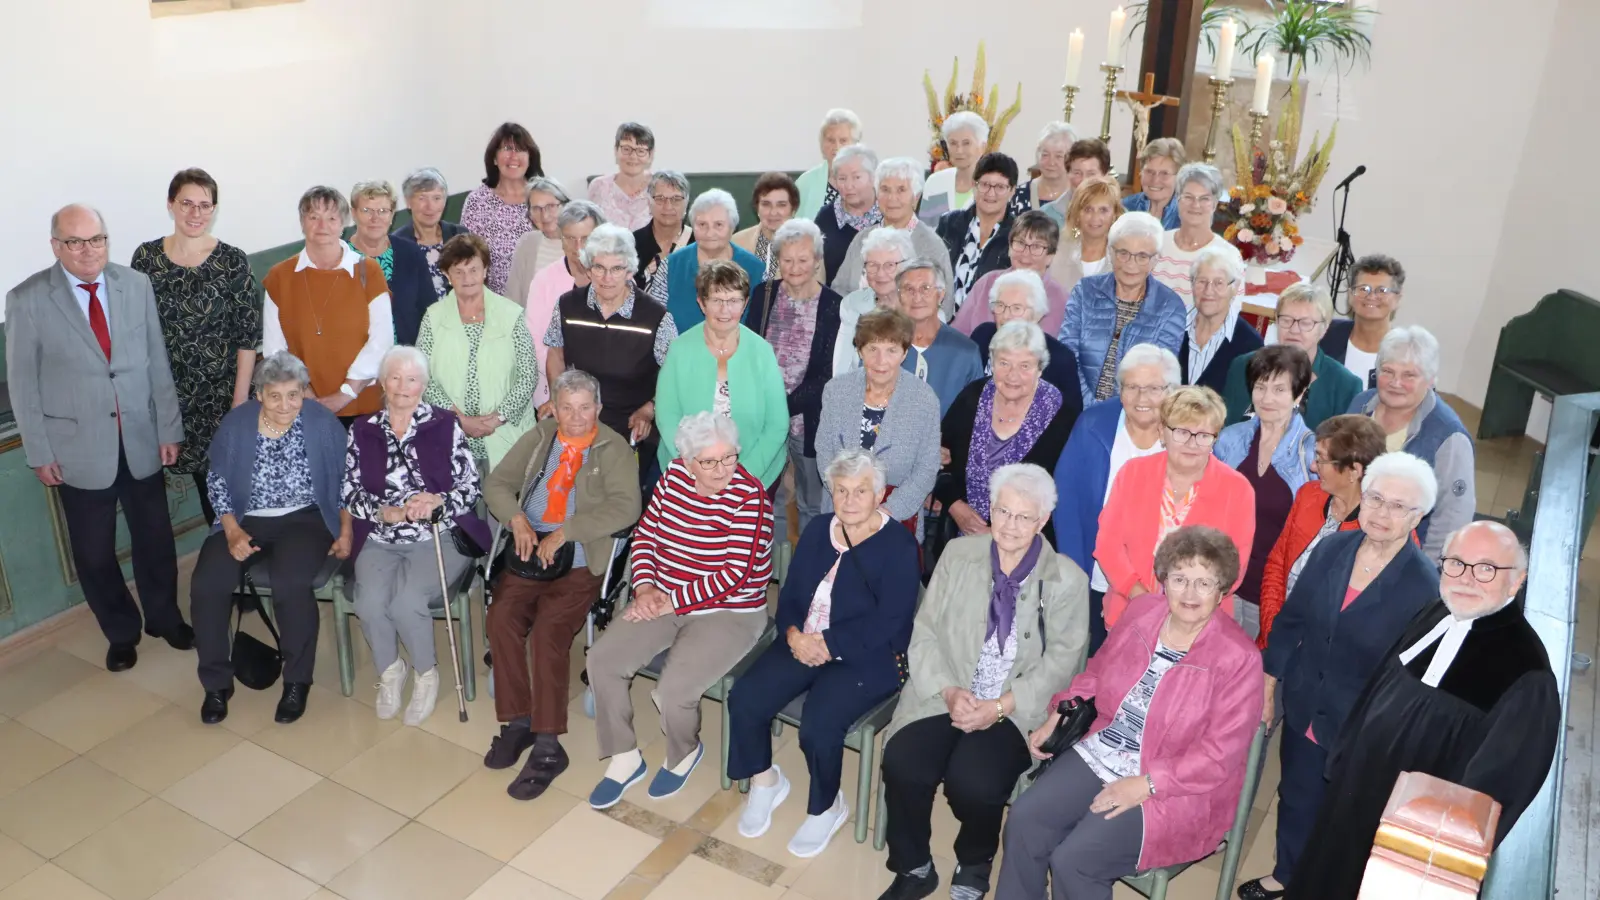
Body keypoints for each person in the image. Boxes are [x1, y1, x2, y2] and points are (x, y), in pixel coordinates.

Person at [1286, 521, 1561, 900]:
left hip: (1408, 851)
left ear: (1517, 580)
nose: (1466, 578)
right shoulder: (1435, 613)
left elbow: (1493, 793)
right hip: (1350, 808)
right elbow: (1376, 693)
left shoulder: (1525, 674)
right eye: (1456, 564)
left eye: (1486, 568)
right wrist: (1344, 761)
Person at [998, 526, 1264, 900]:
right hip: (1106, 747)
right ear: (1163, 581)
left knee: (1076, 859)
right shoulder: (1142, 613)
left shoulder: (1238, 659)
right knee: (1025, 820)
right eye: (1180, 579)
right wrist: (1059, 712)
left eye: (1204, 583)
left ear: (1222, 590)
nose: (1189, 593)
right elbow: (1096, 672)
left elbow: (1219, 755)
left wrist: (1146, 783)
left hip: (1175, 785)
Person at [878, 464, 1089, 900]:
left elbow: (1064, 663)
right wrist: (950, 691)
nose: (1010, 526)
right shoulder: (959, 555)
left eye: (1023, 517)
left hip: (1014, 708)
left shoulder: (1067, 580)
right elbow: (926, 631)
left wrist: (999, 706)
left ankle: (974, 859)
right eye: (1002, 512)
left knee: (973, 783)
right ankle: (914, 865)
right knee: (903, 761)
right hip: (946, 691)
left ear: (1042, 520)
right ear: (990, 510)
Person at [1245, 451, 1441, 900]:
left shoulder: (1424, 586)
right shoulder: (1334, 547)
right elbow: (1292, 619)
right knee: (1295, 795)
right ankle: (1286, 876)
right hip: (1306, 702)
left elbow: (1414, 679)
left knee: (1343, 816)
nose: (1382, 513)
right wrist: (1270, 683)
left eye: (1399, 506)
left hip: (1362, 726)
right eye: (1375, 498)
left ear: (1420, 516)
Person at [7, 203, 188, 672]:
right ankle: (121, 631)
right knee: (92, 551)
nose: (88, 251)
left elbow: (156, 360)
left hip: (141, 439)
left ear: (107, 240)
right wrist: (38, 451)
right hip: (77, 450)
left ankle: (165, 618)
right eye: (75, 241)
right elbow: (24, 385)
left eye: (97, 240)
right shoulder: (27, 300)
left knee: (155, 538)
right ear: (56, 246)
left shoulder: (135, 285)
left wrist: (169, 427)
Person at [726, 448, 921, 857]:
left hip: (869, 656)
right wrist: (795, 634)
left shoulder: (899, 546)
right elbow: (793, 591)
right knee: (746, 698)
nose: (849, 501)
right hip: (804, 641)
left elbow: (890, 622)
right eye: (841, 490)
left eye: (860, 491)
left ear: (880, 493)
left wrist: (828, 644)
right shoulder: (818, 530)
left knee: (819, 724)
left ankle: (826, 807)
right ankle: (765, 780)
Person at [585, 412, 774, 808]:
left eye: (729, 457)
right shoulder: (672, 478)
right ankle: (624, 756)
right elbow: (647, 535)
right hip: (666, 593)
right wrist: (646, 586)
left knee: (673, 691)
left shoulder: (751, 497)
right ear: (688, 462)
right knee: (602, 659)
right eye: (709, 461)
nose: (722, 469)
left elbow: (735, 575)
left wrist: (670, 600)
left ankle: (684, 752)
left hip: (730, 611)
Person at [481, 369, 641, 800]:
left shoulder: (614, 449)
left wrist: (567, 531)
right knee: (502, 618)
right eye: (566, 407)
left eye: (585, 408)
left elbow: (627, 508)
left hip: (581, 559)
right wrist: (516, 519)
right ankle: (518, 721)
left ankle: (549, 744)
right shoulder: (541, 436)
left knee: (551, 630)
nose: (575, 418)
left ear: (599, 409)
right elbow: (497, 483)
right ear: (554, 406)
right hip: (531, 550)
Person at [190, 352, 351, 725]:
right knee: (207, 584)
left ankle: (296, 682)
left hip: (306, 519)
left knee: (290, 582)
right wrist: (231, 530)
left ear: (303, 392)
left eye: (294, 394)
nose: (285, 404)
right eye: (275, 396)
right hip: (246, 518)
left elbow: (347, 481)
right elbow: (217, 480)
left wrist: (345, 530)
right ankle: (216, 684)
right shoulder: (238, 423)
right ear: (259, 394)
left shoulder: (322, 423)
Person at [343, 347, 488, 727]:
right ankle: (391, 671)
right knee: (370, 602)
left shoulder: (444, 425)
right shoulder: (363, 430)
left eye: (411, 379)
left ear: (423, 385)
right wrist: (381, 512)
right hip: (381, 535)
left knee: (407, 602)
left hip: (437, 535)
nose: (403, 386)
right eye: (394, 377)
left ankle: (426, 673)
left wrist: (439, 500)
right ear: (382, 383)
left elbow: (471, 487)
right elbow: (349, 491)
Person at [131, 168, 260, 525]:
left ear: (214, 210)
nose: (195, 213)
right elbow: (139, 333)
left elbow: (247, 337)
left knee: (237, 484)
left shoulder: (233, 260)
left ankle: (251, 559)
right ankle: (226, 559)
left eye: (205, 205)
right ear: (171, 205)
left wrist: (238, 404)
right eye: (187, 203)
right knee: (208, 489)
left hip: (224, 395)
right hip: (174, 398)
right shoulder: (146, 259)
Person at [1095, 386, 1254, 629]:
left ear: (1215, 438)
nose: (1192, 443)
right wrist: (1140, 597)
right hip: (1129, 613)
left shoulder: (1238, 489)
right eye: (1181, 432)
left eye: (1203, 435)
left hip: (1200, 625)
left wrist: (1185, 610)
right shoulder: (1133, 473)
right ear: (1162, 432)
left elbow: (1235, 568)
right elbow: (1108, 545)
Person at [1053, 344, 1176, 655]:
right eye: (1132, 387)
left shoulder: (1184, 435)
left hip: (1158, 583)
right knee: (1093, 658)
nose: (1141, 398)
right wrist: (1073, 568)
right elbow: (1066, 497)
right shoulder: (1093, 423)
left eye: (1153, 388)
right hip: (1094, 573)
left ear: (1172, 391)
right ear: (1120, 391)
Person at [541, 224, 677, 485]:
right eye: (599, 268)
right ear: (588, 268)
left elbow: (673, 374)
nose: (606, 277)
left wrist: (649, 410)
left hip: (629, 423)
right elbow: (555, 351)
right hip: (577, 418)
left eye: (616, 269)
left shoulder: (656, 316)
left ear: (630, 270)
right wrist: (556, 397)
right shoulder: (567, 305)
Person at [1256, 415, 1389, 651]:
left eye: (1321, 459)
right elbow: (1277, 564)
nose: (1312, 467)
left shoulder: (1383, 530)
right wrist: (1272, 631)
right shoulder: (1308, 494)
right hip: (1276, 639)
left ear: (1353, 471)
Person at [938, 320, 1078, 545]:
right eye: (1004, 363)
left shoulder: (1063, 417)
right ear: (991, 363)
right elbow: (938, 459)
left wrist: (1000, 532)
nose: (1013, 376)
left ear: (1040, 368)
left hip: (1027, 544)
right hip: (961, 537)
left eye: (1025, 366)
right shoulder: (972, 398)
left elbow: (1065, 494)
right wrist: (955, 505)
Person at [744, 219, 844, 532]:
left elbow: (827, 373)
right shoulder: (763, 293)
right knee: (764, 500)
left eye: (803, 260)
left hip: (809, 420)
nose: (795, 267)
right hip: (762, 419)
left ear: (816, 261)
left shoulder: (834, 305)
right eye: (787, 260)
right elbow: (749, 349)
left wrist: (781, 407)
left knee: (811, 505)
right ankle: (770, 574)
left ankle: (805, 575)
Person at [262, 186, 393, 424]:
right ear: (302, 222)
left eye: (331, 218)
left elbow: (382, 341)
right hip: (302, 408)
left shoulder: (368, 271)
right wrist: (305, 394)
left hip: (363, 405)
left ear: (343, 223)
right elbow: (274, 350)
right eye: (314, 217)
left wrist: (345, 393)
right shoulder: (279, 277)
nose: (323, 226)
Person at [655, 260, 789, 490]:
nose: (725, 310)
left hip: (755, 473)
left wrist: (744, 475)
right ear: (702, 303)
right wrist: (698, 467)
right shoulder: (679, 349)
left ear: (745, 303)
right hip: (689, 472)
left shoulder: (762, 351)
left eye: (733, 301)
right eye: (716, 300)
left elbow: (777, 424)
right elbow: (667, 416)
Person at [1213, 346, 1316, 639]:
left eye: (1279, 389)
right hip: (1224, 584)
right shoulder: (1229, 439)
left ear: (1298, 395)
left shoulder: (1312, 453)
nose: (1267, 398)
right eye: (1260, 387)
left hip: (1275, 592)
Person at [1347, 326, 1474, 562]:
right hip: (1347, 543)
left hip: (1401, 560)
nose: (1395, 383)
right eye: (1387, 371)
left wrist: (1421, 571)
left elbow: (1452, 518)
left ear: (1430, 380)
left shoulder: (1449, 437)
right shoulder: (1361, 405)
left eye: (1409, 375)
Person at [416, 233, 537, 472]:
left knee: (504, 507)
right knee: (460, 507)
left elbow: (528, 374)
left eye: (473, 269)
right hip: (451, 434)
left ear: (485, 271)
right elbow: (423, 376)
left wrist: (497, 418)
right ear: (447, 276)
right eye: (458, 271)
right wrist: (460, 420)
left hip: (506, 432)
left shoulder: (511, 314)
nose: (467, 278)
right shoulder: (433, 316)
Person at [816, 309, 942, 534]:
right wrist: (848, 502)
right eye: (872, 349)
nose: (881, 361)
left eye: (891, 350)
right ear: (860, 350)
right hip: (840, 513)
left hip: (896, 518)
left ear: (904, 353)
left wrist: (887, 511)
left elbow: (927, 467)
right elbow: (824, 451)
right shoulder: (836, 391)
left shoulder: (924, 399)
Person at [1060, 211, 1186, 405]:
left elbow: (1160, 376)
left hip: (1135, 412)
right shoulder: (1085, 291)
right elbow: (1068, 355)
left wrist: (1113, 414)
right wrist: (1089, 407)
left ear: (1156, 259)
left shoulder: (1170, 306)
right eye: (1123, 253)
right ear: (1110, 251)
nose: (1130, 264)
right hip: (1076, 406)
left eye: (1142, 256)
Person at [1222, 283, 1361, 429]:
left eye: (1306, 323)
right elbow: (1224, 428)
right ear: (1276, 320)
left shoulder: (1345, 385)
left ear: (1324, 328)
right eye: (1286, 320)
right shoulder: (1242, 366)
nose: (1294, 330)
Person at [523, 200, 604, 410]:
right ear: (561, 240)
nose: (578, 248)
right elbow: (535, 341)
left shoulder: (616, 277)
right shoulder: (544, 280)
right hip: (555, 390)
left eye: (585, 239)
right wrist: (566, 385)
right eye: (570, 239)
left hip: (607, 391)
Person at [831, 157, 952, 296]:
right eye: (885, 189)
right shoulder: (863, 238)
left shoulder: (931, 245)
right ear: (876, 194)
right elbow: (839, 289)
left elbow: (945, 305)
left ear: (916, 197)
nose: (892, 198)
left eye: (901, 190)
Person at [953, 211, 1070, 338]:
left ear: (1050, 256)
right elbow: (957, 334)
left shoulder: (1062, 299)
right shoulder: (987, 283)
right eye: (1020, 243)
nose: (1025, 254)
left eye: (1036, 246)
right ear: (1009, 247)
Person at [967, 270, 1080, 400]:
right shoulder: (982, 336)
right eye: (1000, 305)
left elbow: (1070, 415)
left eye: (1017, 308)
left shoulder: (1060, 360)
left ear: (1037, 315)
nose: (1006, 316)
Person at [660, 189, 765, 329]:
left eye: (718, 225)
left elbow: (763, 325)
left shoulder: (756, 269)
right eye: (702, 225)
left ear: (732, 227)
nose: (710, 233)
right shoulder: (670, 266)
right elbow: (656, 321)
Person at [347, 180, 435, 345]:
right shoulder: (339, 258)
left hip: (406, 360)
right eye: (367, 210)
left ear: (392, 214)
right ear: (353, 213)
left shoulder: (411, 253)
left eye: (383, 211)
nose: (375, 218)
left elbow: (429, 312)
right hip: (356, 364)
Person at [461, 122, 543, 294]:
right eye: (507, 148)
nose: (513, 156)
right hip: (491, 304)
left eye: (520, 149)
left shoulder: (544, 198)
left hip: (539, 299)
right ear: (494, 158)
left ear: (530, 158)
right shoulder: (477, 202)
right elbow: (466, 257)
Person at [895, 259, 985, 416]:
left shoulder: (965, 352)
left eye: (925, 288)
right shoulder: (881, 344)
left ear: (941, 294)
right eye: (909, 289)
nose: (917, 297)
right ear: (899, 296)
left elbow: (974, 414)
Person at [938, 152, 1018, 317]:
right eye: (984, 184)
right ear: (974, 186)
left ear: (1012, 191)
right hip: (942, 324)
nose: (990, 193)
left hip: (989, 327)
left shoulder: (1018, 235)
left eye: (1000, 187)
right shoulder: (949, 223)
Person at [1151, 163, 1241, 306]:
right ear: (1177, 200)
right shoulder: (1156, 243)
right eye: (1188, 197)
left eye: (1204, 198)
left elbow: (1229, 316)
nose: (1195, 205)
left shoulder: (1228, 256)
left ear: (1215, 204)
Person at [833, 228, 915, 376]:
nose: (880, 273)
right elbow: (841, 370)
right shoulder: (853, 305)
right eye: (873, 265)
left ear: (906, 267)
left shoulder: (921, 310)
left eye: (890, 265)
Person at [1179, 247, 1262, 392]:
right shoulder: (1171, 325)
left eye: (1219, 283)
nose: (1208, 291)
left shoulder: (1251, 345)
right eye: (1202, 281)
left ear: (1235, 288)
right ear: (1192, 284)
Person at [1322, 254, 1406, 388]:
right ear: (1350, 295)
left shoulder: (1408, 351)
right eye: (1363, 289)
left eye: (1382, 290)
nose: (1371, 296)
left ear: (1397, 299)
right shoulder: (1325, 334)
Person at [393, 167, 468, 301]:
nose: (430, 206)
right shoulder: (396, 244)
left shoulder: (460, 235)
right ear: (408, 202)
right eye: (422, 198)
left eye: (437, 198)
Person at [813, 144, 883, 285]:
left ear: (873, 178)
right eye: (842, 178)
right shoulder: (826, 217)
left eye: (856, 177)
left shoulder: (888, 214)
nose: (848, 185)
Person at [1046, 175, 1123, 298]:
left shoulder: (1124, 254)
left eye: (1103, 210)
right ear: (1077, 214)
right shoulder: (1058, 247)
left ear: (1114, 214)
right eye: (1088, 209)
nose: (1095, 218)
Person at [504, 176, 572, 307]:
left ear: (566, 206)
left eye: (551, 206)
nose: (544, 215)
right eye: (536, 208)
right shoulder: (527, 242)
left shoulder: (581, 243)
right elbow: (512, 299)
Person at [919, 111, 989, 226]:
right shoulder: (935, 182)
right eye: (953, 143)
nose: (959, 150)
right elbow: (924, 231)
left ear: (982, 147)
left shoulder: (993, 187)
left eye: (966, 143)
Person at [586, 121, 656, 230]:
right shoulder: (599, 186)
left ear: (650, 155)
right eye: (626, 149)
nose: (633, 156)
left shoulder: (660, 187)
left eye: (641, 151)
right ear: (616, 150)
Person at [633, 170, 693, 295]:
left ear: (686, 204)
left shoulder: (698, 243)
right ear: (649, 203)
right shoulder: (632, 243)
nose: (668, 206)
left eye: (676, 199)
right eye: (660, 198)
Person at [732, 172, 801, 281]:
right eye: (766, 204)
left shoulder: (809, 246)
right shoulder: (736, 243)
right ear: (757, 208)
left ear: (793, 209)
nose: (773, 212)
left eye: (781, 205)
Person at [797, 108, 863, 220]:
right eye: (831, 140)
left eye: (843, 141)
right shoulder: (805, 183)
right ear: (822, 144)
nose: (836, 147)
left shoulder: (870, 183)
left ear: (856, 145)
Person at [1008, 122, 1078, 219]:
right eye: (1045, 155)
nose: (1051, 162)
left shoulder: (1079, 196)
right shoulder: (1019, 194)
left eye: (1059, 156)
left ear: (1071, 158)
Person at [1040, 139, 1113, 225]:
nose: (1083, 180)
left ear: (1105, 176)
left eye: (1091, 174)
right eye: (1077, 173)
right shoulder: (1046, 216)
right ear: (1068, 174)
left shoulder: (1119, 217)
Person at [1120, 138, 1186, 229]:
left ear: (1179, 176)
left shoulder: (1185, 216)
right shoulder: (1125, 207)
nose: (1155, 180)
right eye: (1149, 171)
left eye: (1164, 173)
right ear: (1141, 173)